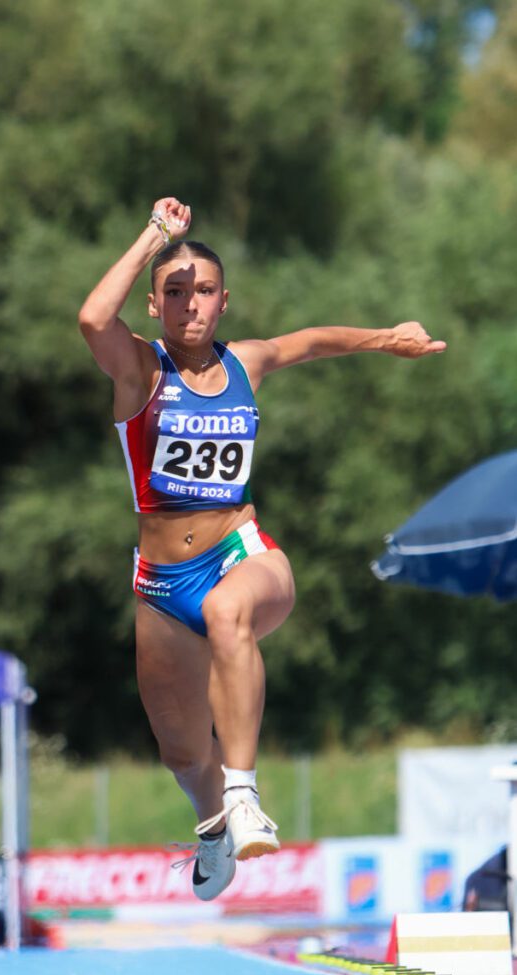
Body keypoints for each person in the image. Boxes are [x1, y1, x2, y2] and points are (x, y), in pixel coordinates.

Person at [78, 196, 446, 902]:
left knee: (227, 612)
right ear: (154, 305)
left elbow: (309, 341)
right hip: (159, 583)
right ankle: (213, 820)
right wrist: (154, 236)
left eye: (205, 292)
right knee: (182, 752)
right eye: (175, 293)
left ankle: (244, 793)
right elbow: (94, 318)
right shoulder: (140, 374)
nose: (191, 305)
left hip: (240, 552)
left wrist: (384, 337)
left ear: (224, 303)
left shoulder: (245, 362)